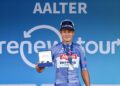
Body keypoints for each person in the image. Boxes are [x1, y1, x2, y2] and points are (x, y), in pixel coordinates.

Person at [36, 19, 90, 86]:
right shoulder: (54, 49)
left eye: (69, 32)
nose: (67, 34)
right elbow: (39, 70)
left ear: (73, 33)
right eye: (64, 32)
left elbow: (84, 69)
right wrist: (39, 66)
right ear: (60, 32)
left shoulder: (79, 48)